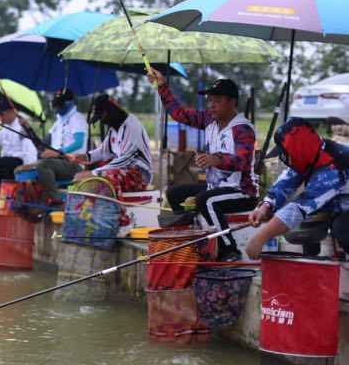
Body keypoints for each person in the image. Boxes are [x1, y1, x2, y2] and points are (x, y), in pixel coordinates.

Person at [148, 69, 258, 260]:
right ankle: (189, 239)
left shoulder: (243, 129)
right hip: (214, 188)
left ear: (232, 102)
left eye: (217, 100)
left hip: (241, 192)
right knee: (174, 193)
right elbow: (180, 114)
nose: (212, 105)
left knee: (206, 200)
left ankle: (229, 250)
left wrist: (217, 159)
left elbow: (243, 161)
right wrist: (162, 87)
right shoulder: (209, 120)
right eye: (210, 100)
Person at [246, 118, 349, 259]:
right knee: (300, 226)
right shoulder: (310, 153)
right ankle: (312, 260)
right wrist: (265, 206)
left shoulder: (335, 165)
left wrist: (261, 237)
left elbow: (301, 207)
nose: (283, 157)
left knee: (342, 229)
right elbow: (285, 183)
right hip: (337, 202)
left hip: (344, 206)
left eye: (285, 153)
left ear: (297, 149)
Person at [74, 95, 152, 225]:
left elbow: (124, 160)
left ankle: (121, 222)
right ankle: (93, 218)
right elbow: (104, 151)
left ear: (110, 112)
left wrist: (93, 173)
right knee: (99, 174)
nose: (102, 122)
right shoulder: (114, 130)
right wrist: (86, 157)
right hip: (124, 171)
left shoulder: (131, 126)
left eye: (102, 117)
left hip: (139, 175)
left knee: (107, 176)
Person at [29, 90, 88, 202]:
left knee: (43, 165)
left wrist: (58, 152)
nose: (57, 109)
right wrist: (28, 129)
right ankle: (42, 202)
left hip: (74, 164)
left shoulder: (77, 118)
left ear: (69, 103)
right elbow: (42, 144)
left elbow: (78, 143)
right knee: (37, 164)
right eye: (55, 106)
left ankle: (57, 199)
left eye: (59, 105)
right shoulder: (58, 122)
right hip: (58, 162)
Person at [0, 99, 38, 180]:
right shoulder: (7, 127)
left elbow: (30, 150)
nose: (0, 118)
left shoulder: (22, 127)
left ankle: (0, 184)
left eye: (1, 114)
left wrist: (28, 169)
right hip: (7, 159)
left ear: (11, 112)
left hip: (19, 161)